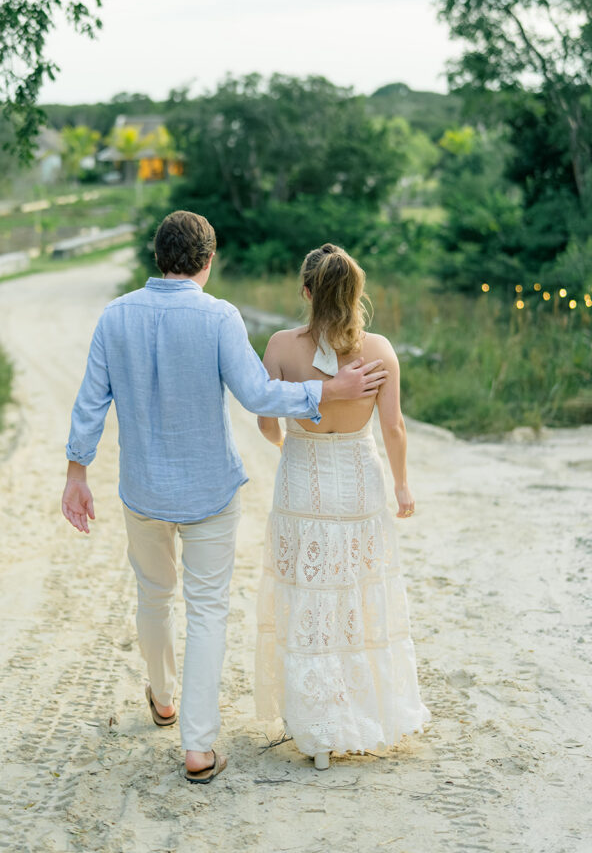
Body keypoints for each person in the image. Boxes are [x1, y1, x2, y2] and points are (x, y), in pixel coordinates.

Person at [61, 212, 388, 784]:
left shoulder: (115, 316)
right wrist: (328, 389)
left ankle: (162, 698)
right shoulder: (219, 317)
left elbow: (91, 401)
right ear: (208, 261)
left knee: (153, 596)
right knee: (207, 610)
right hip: (210, 491)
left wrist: (76, 472)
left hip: (142, 490)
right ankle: (198, 746)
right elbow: (257, 394)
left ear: (157, 257)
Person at [255, 243, 430, 770]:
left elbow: (266, 420)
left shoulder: (282, 347)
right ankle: (360, 713)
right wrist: (402, 485)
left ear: (306, 292)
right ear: (357, 293)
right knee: (354, 593)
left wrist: (291, 446)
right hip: (358, 482)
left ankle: (317, 729)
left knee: (309, 596)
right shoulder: (379, 349)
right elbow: (393, 427)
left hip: (302, 481)